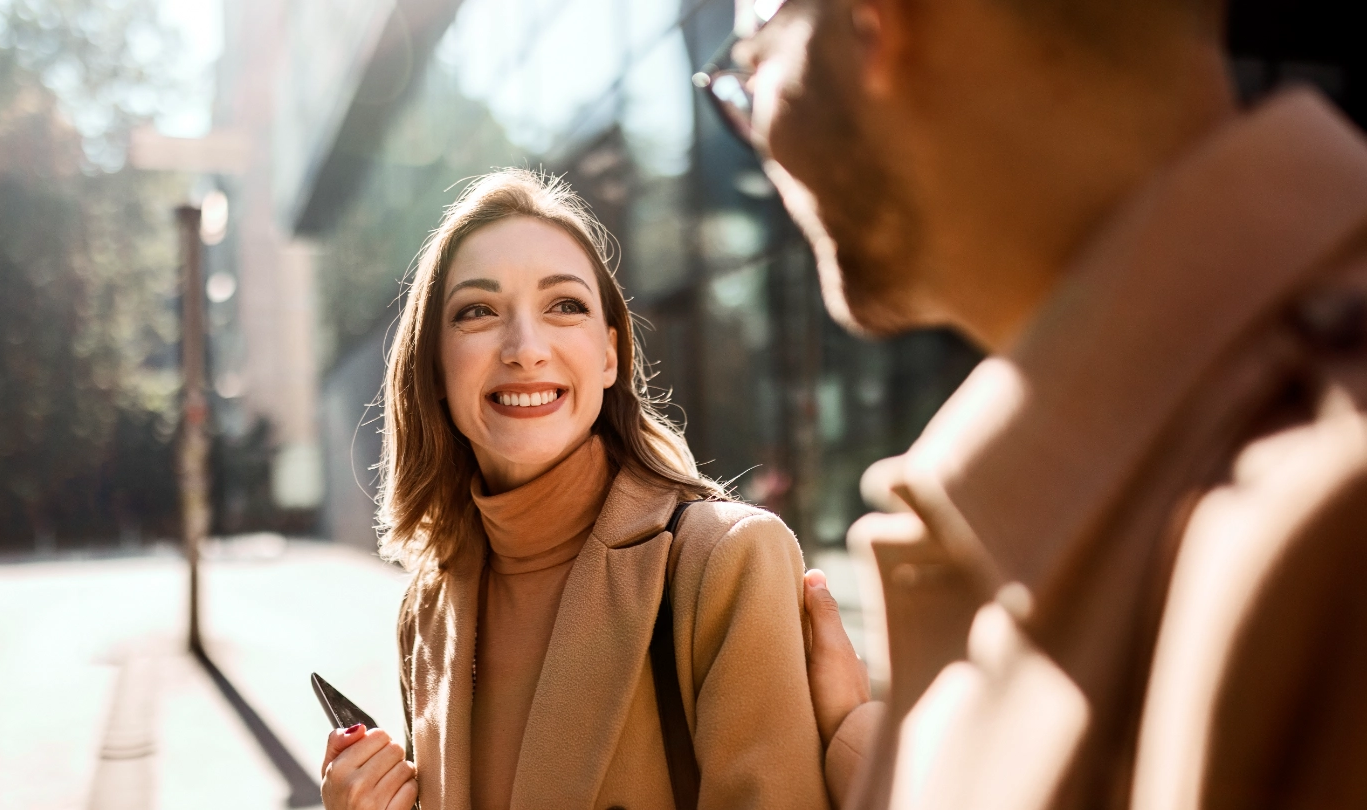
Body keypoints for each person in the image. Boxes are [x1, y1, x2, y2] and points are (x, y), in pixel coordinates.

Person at [701, 0, 1367, 807]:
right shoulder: (1096, 499)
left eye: (752, 63)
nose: (759, 134)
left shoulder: (1322, 532)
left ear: (879, 22)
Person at [318, 169, 836, 810]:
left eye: (564, 306)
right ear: (434, 366)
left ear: (610, 355)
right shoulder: (426, 611)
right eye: (478, 312)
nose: (526, 348)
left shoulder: (726, 562)